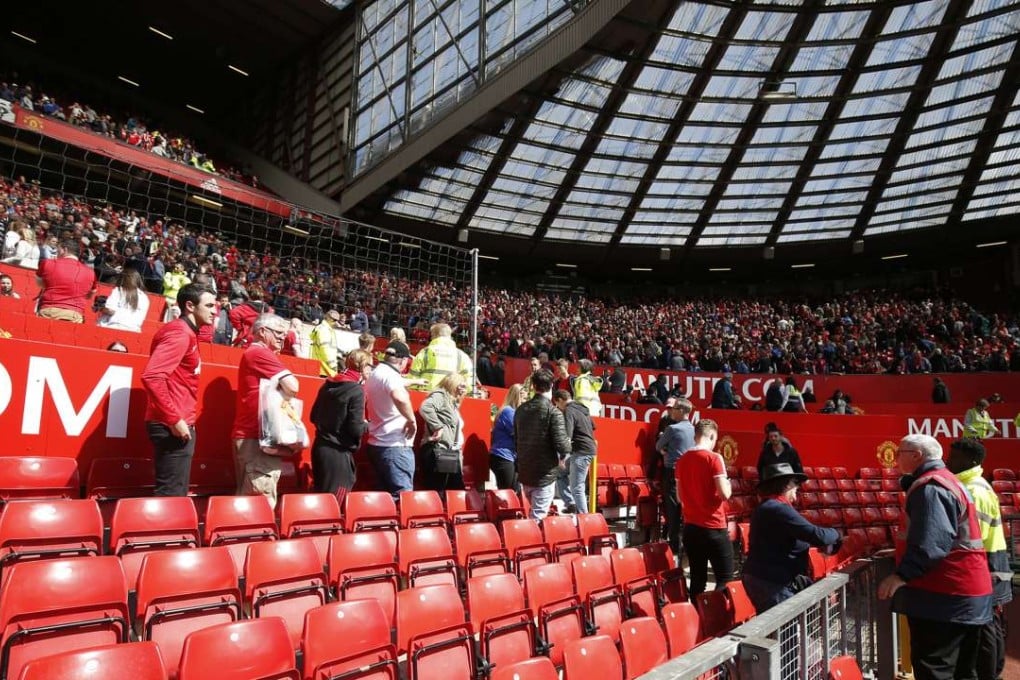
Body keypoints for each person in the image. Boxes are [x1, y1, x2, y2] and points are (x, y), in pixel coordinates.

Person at [877, 434, 992, 680]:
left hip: (944, 597)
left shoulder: (930, 486)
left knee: (935, 670)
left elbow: (932, 542)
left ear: (917, 456)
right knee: (963, 671)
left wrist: (900, 576)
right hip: (964, 594)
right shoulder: (948, 481)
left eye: (900, 453)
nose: (895, 458)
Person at [945, 438, 1013, 680]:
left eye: (954, 457)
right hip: (989, 561)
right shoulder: (973, 486)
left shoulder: (974, 490)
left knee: (987, 626)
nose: (948, 460)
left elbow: (976, 536)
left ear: (970, 460)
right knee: (989, 623)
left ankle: (990, 674)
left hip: (987, 563)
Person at [140, 283, 216, 496]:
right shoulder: (180, 333)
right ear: (190, 306)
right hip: (171, 425)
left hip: (176, 423)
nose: (214, 311)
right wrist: (174, 419)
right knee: (170, 495)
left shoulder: (187, 333)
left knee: (175, 494)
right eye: (209, 305)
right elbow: (152, 376)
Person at [742, 463, 841, 612]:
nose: (798, 487)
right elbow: (817, 535)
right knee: (786, 632)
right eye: (795, 483)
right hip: (770, 582)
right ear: (786, 484)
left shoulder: (770, 507)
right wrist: (837, 533)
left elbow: (799, 537)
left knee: (784, 631)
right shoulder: (777, 509)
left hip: (769, 579)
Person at [231, 314, 300, 510]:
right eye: (278, 333)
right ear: (262, 332)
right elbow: (293, 386)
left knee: (249, 501)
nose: (282, 338)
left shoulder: (254, 353)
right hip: (256, 438)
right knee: (259, 504)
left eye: (284, 334)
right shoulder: (260, 353)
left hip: (253, 438)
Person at [675, 419, 733, 597]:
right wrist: (728, 484)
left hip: (691, 528)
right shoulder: (715, 458)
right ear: (713, 436)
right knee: (725, 580)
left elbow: (679, 497)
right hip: (714, 527)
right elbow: (725, 493)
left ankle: (699, 618)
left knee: (697, 580)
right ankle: (720, 620)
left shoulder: (681, 461)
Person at [309, 350, 372, 495]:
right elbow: (355, 429)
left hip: (319, 448)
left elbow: (313, 416)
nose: (371, 371)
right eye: (370, 366)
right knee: (336, 502)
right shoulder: (357, 390)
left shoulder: (327, 384)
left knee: (322, 498)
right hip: (338, 454)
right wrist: (368, 425)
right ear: (363, 367)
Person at [364, 343, 418, 501]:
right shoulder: (391, 376)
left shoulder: (376, 373)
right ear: (403, 361)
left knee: (384, 498)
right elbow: (399, 396)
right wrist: (411, 420)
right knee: (402, 498)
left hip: (378, 443)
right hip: (395, 444)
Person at [515, 370, 571, 520]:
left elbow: (516, 439)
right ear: (552, 385)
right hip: (544, 474)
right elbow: (563, 446)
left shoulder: (521, 410)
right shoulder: (553, 412)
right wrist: (568, 446)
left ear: (533, 386)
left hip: (525, 471)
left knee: (533, 515)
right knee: (537, 518)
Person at [655, 398, 695, 559]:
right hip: (688, 473)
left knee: (672, 510)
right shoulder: (693, 429)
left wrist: (665, 451)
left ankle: (674, 547)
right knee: (685, 509)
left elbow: (658, 446)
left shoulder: (672, 428)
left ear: (681, 411)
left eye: (675, 409)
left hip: (672, 472)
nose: (672, 411)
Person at [419, 373, 468, 495]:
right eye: (460, 385)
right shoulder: (440, 395)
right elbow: (425, 407)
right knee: (440, 490)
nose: (463, 389)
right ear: (453, 384)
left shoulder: (451, 402)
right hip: (438, 450)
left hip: (447, 451)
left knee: (454, 490)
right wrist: (437, 427)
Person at [553, 389, 597, 514]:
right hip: (586, 449)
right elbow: (593, 426)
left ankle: (584, 517)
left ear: (560, 400)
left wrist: (561, 457)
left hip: (581, 452)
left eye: (557, 404)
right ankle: (571, 504)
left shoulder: (569, 410)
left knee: (577, 487)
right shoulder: (582, 408)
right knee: (560, 473)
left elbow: (567, 436)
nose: (558, 408)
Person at [36, 237, 96, 323]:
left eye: (58, 250)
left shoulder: (48, 263)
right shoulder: (90, 272)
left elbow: (39, 284)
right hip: (75, 314)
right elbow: (91, 293)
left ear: (65, 249)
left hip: (50, 310)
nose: (57, 253)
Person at [409, 322, 474, 392]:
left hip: (426, 396)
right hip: (451, 397)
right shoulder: (461, 355)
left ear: (434, 335)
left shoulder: (425, 352)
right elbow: (469, 382)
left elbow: (413, 378)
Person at [490, 384, 525, 490]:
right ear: (516, 396)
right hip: (503, 456)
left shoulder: (514, 412)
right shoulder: (508, 412)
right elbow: (519, 432)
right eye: (523, 398)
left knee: (515, 489)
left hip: (511, 456)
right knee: (508, 490)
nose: (525, 401)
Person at [310, 309, 343, 377]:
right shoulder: (324, 330)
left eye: (337, 320)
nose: (336, 323)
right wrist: (333, 366)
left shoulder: (324, 329)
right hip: (325, 369)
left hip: (320, 367)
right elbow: (325, 349)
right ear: (328, 318)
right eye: (334, 320)